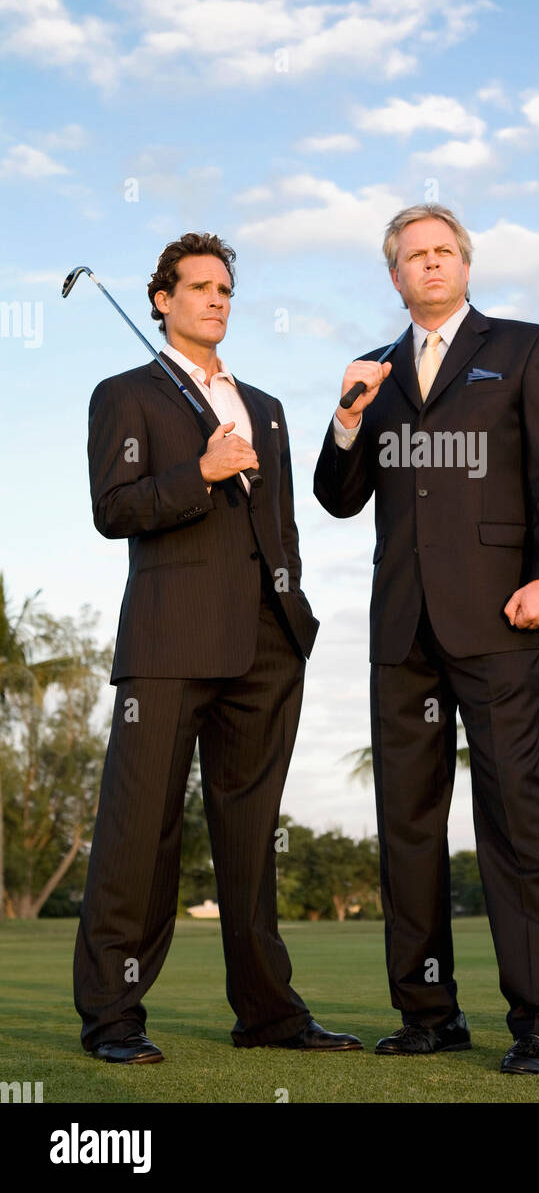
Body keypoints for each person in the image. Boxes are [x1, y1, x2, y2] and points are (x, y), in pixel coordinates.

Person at [74, 231, 361, 1062]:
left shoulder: (265, 406)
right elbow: (113, 508)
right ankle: (114, 1021)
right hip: (168, 645)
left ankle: (270, 1017)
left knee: (251, 842)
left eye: (226, 289)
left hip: (266, 648)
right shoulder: (124, 394)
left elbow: (283, 527)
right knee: (139, 837)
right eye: (199, 287)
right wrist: (196, 474)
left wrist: (293, 610)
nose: (216, 300)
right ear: (161, 299)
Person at [314, 204, 539, 1074]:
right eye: (411, 257)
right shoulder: (376, 369)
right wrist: (348, 419)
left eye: (442, 253)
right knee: (407, 825)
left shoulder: (524, 346)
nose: (429, 266)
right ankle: (429, 1014)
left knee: (518, 816)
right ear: (394, 276)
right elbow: (336, 496)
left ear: (464, 266)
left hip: (499, 613)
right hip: (401, 626)